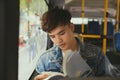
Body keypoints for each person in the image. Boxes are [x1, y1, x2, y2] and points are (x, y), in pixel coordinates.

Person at [34, 7, 120, 80]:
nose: (58, 40)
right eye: (53, 37)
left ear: (71, 27)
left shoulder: (96, 54)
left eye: (62, 33)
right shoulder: (45, 60)